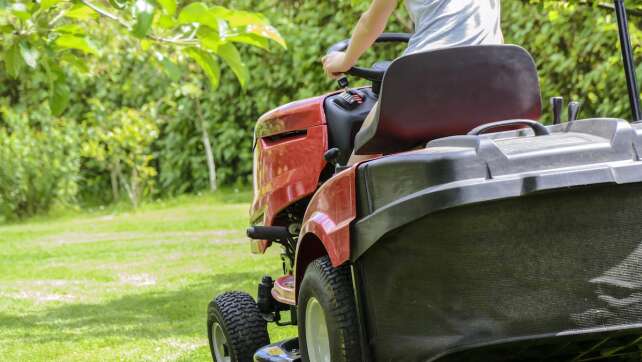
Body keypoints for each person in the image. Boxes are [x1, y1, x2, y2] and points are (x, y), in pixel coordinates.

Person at [322, 0, 504, 164]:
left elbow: (369, 24)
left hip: (426, 78)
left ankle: (348, 192)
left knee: (365, 147)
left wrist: (344, 61)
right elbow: (496, 35)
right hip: (493, 81)